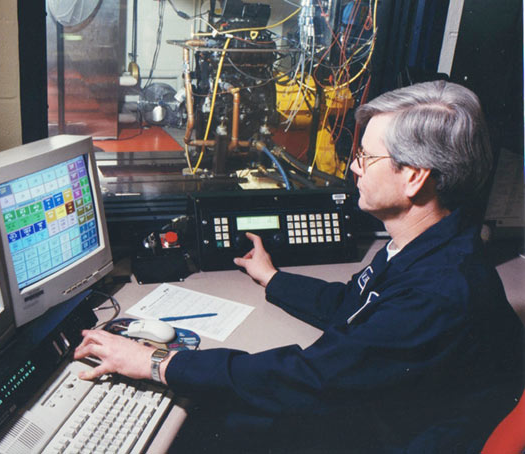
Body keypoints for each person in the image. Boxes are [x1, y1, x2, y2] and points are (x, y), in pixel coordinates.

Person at [75, 81, 524, 453]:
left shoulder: (438, 289)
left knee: (208, 428)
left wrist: (158, 363)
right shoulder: (430, 245)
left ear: (414, 176)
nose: (353, 167)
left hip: (394, 440)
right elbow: (355, 305)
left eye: (366, 158)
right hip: (393, 416)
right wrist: (274, 279)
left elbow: (307, 378)